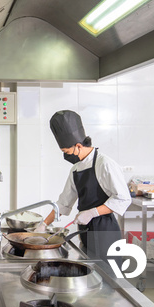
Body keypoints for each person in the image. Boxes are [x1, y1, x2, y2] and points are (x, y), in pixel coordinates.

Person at [35, 110, 131, 261]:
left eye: (66, 151)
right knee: (91, 273)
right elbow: (63, 203)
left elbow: (123, 199)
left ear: (78, 146)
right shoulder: (75, 168)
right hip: (86, 231)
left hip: (105, 229)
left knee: (109, 276)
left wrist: (92, 212)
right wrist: (43, 225)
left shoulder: (104, 164)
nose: (66, 155)